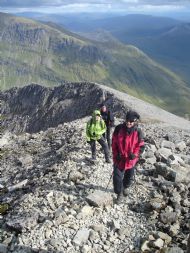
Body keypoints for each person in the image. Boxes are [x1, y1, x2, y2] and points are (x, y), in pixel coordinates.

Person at [112, 110, 145, 203]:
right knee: (117, 177)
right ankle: (119, 193)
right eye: (127, 120)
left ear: (135, 122)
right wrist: (116, 154)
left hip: (131, 160)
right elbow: (114, 143)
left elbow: (141, 146)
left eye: (131, 121)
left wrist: (135, 155)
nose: (128, 123)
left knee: (129, 176)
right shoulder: (118, 129)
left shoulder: (138, 132)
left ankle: (126, 187)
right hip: (119, 159)